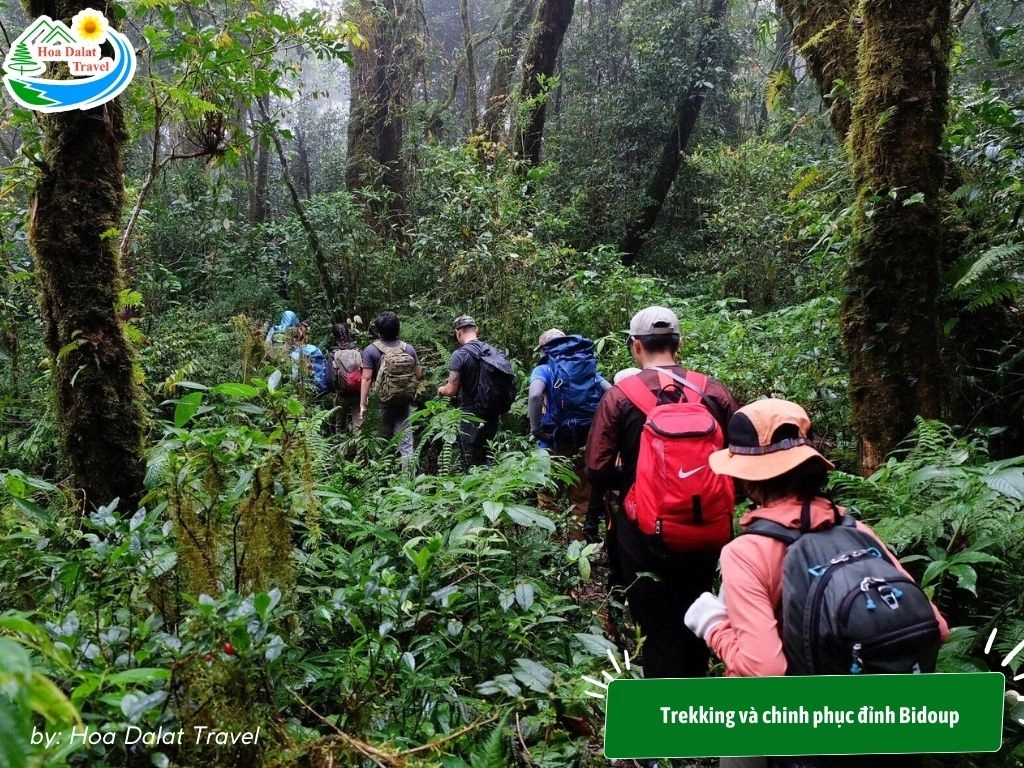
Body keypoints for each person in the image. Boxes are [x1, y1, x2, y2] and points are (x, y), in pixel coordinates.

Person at [684, 398, 950, 768]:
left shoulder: (746, 552)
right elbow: (937, 627)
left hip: (801, 734)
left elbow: (766, 672)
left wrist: (713, 627)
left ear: (747, 477)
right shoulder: (856, 530)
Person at [585, 306, 739, 680]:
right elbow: (741, 457)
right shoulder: (714, 392)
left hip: (643, 531)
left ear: (635, 346)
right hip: (706, 528)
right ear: (678, 344)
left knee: (658, 628)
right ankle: (698, 705)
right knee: (699, 614)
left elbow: (597, 467)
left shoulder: (620, 397)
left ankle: (664, 717)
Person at [528, 328, 611, 542]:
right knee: (582, 497)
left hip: (552, 442)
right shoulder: (586, 368)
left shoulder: (544, 369)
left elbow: (535, 395)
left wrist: (537, 428)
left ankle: (552, 546)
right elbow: (611, 391)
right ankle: (577, 547)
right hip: (584, 440)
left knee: (547, 495)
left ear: (545, 349)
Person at [437, 315, 513, 468]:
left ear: (458, 333)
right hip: (492, 412)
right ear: (476, 330)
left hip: (471, 415)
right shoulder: (493, 352)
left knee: (470, 458)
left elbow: (451, 390)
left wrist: (440, 390)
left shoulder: (460, 355)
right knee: (487, 454)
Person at [359, 311, 423, 459]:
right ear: (398, 328)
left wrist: (363, 405)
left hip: (381, 403)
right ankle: (408, 479)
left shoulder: (371, 350)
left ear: (379, 330)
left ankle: (380, 477)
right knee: (406, 446)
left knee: (379, 444)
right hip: (404, 403)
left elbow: (366, 379)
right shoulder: (408, 348)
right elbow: (418, 374)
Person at [329, 322, 363, 432]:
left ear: (335, 337)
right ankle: (359, 447)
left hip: (341, 394)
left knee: (340, 425)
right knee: (358, 424)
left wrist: (335, 388)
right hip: (358, 393)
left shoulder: (333, 354)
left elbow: (329, 379)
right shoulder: (358, 352)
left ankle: (341, 448)